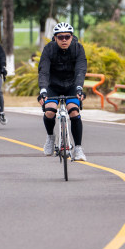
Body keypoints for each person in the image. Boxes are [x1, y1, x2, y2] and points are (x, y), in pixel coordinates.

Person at [37, 22, 88, 161]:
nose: (64, 40)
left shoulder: (78, 48)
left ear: (72, 37)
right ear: (55, 38)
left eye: (67, 36)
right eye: (60, 37)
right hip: (53, 85)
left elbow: (80, 70)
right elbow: (44, 71)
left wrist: (79, 88)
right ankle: (50, 137)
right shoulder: (49, 49)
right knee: (49, 111)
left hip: (72, 85)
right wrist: (43, 89)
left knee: (74, 111)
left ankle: (78, 148)